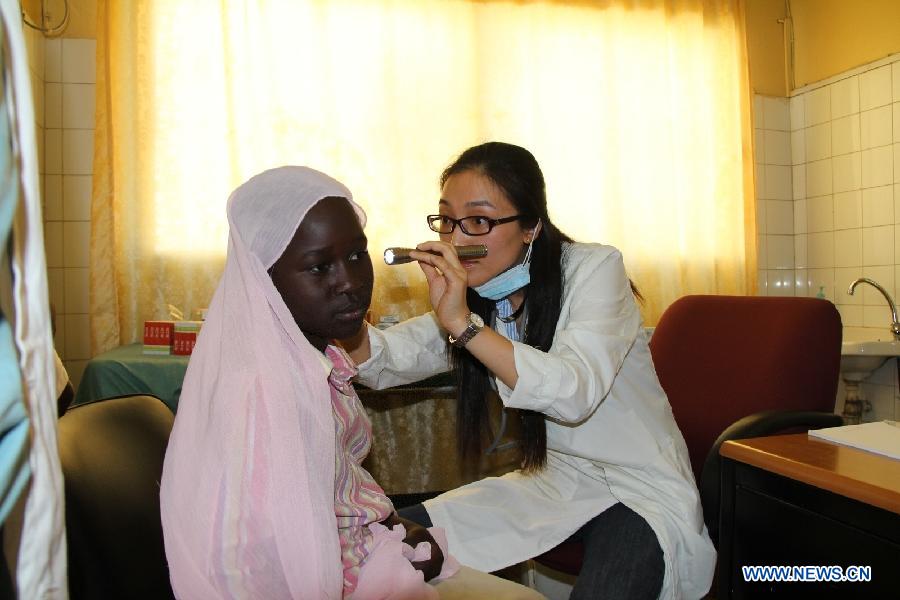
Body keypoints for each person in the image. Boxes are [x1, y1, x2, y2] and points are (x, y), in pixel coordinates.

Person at [345, 142, 717, 599]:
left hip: (637, 489)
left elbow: (573, 392)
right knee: (387, 546)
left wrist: (462, 324)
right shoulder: (483, 296)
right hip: (553, 482)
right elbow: (387, 358)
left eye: (478, 221)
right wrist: (335, 318)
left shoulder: (595, 268)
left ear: (531, 227)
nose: (457, 240)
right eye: (446, 220)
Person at [159, 166, 543, 600]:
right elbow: (257, 569)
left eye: (357, 255)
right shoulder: (264, 397)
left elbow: (337, 491)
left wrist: (391, 524)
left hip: (368, 553)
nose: (349, 282)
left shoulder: (317, 357)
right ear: (262, 279)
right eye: (319, 267)